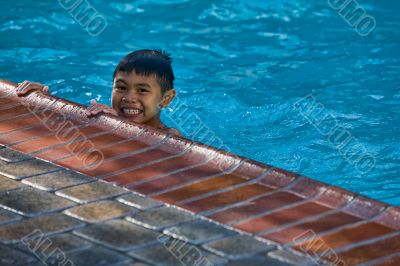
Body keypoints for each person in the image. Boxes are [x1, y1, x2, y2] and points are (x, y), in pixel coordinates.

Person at [15, 49, 181, 136]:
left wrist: (119, 126)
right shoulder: (102, 115)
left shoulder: (170, 137)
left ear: (166, 99)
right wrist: (45, 102)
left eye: (142, 90)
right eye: (121, 87)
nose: (128, 98)